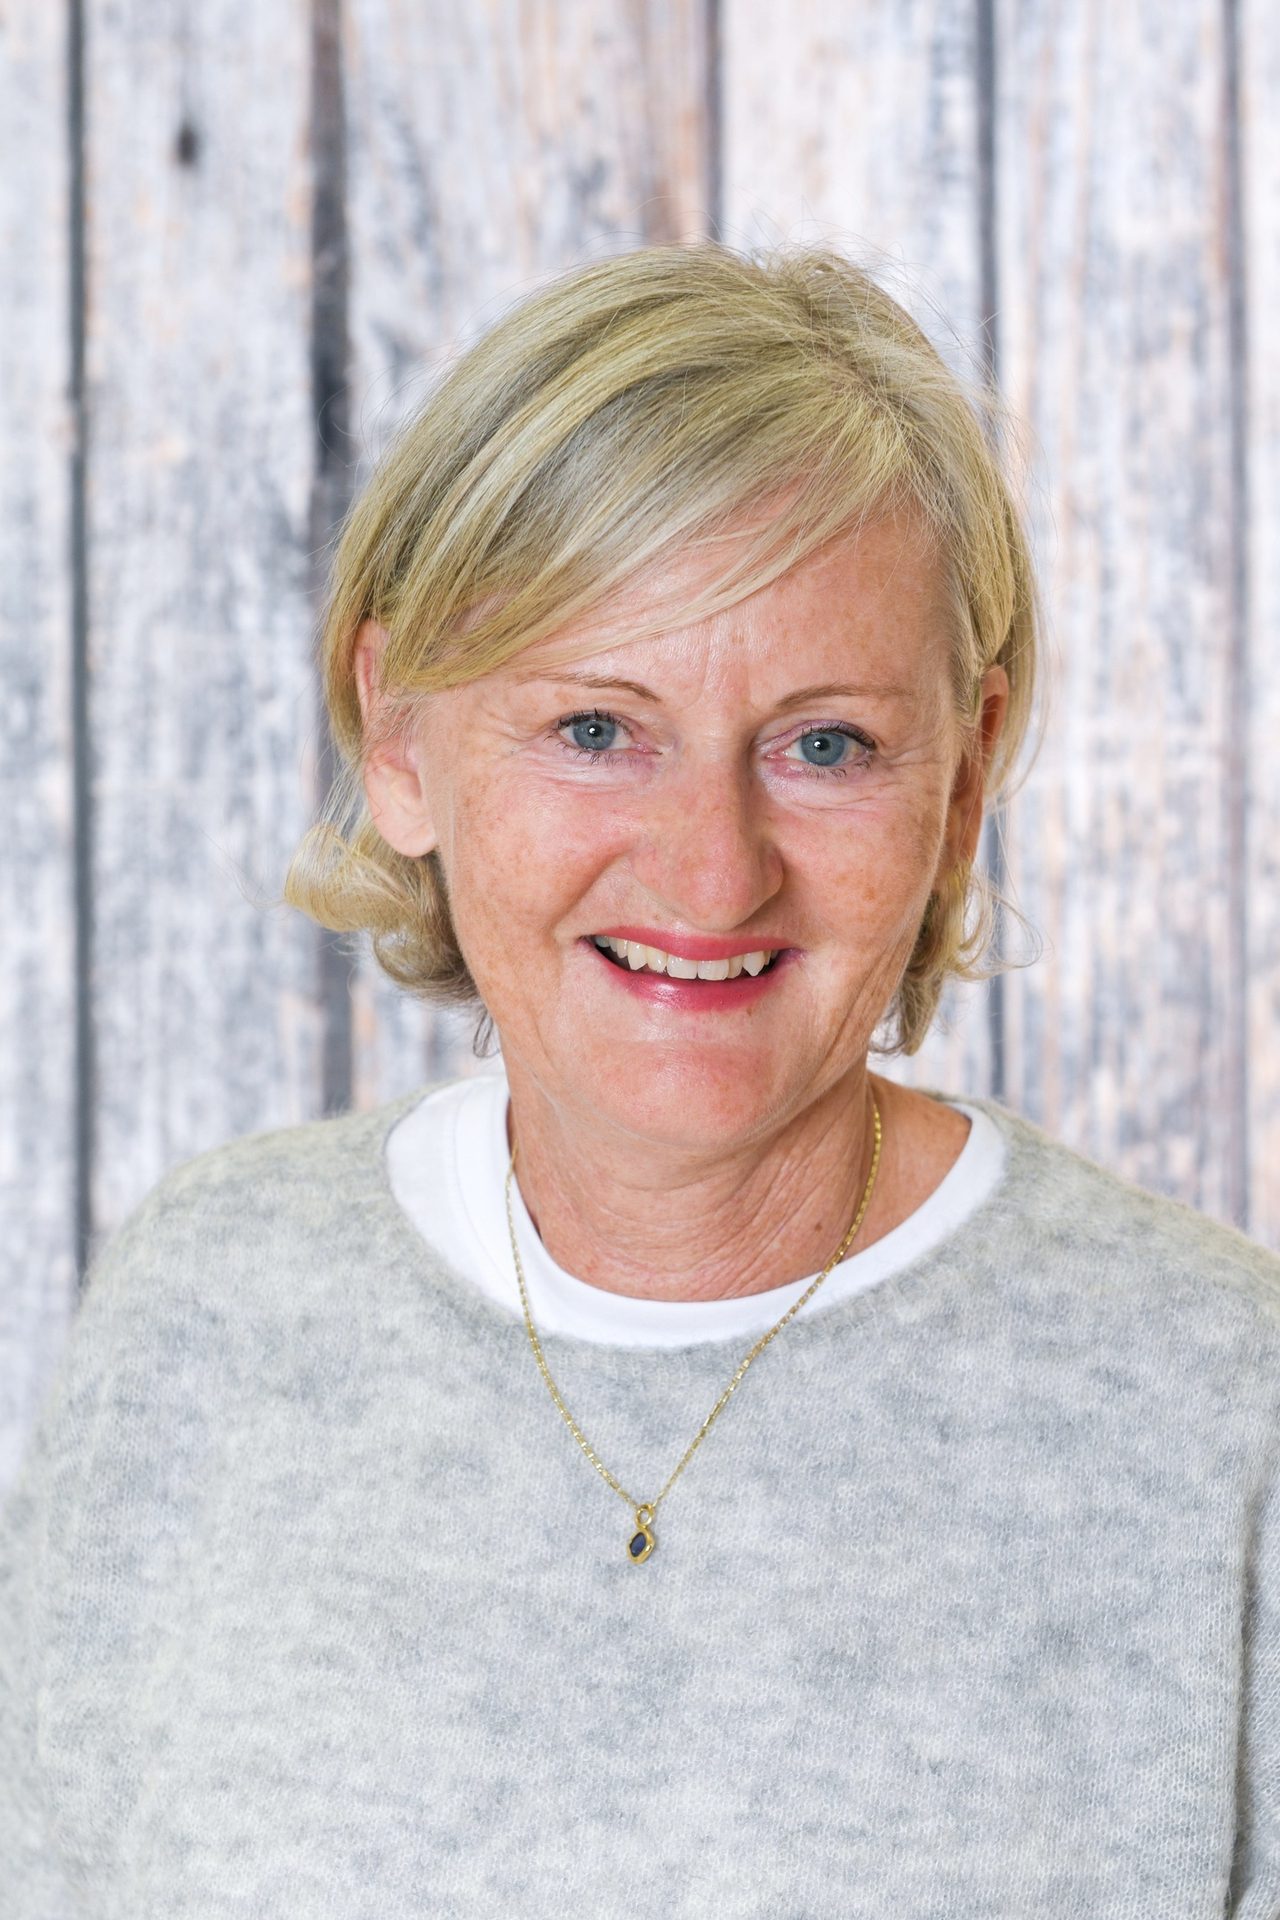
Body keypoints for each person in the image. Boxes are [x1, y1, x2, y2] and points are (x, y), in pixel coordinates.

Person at [2, 242, 1278, 1920]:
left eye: (825, 746)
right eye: (598, 726)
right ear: (400, 740)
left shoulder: (1215, 1401)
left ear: (964, 777)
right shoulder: (208, 1303)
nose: (710, 871)